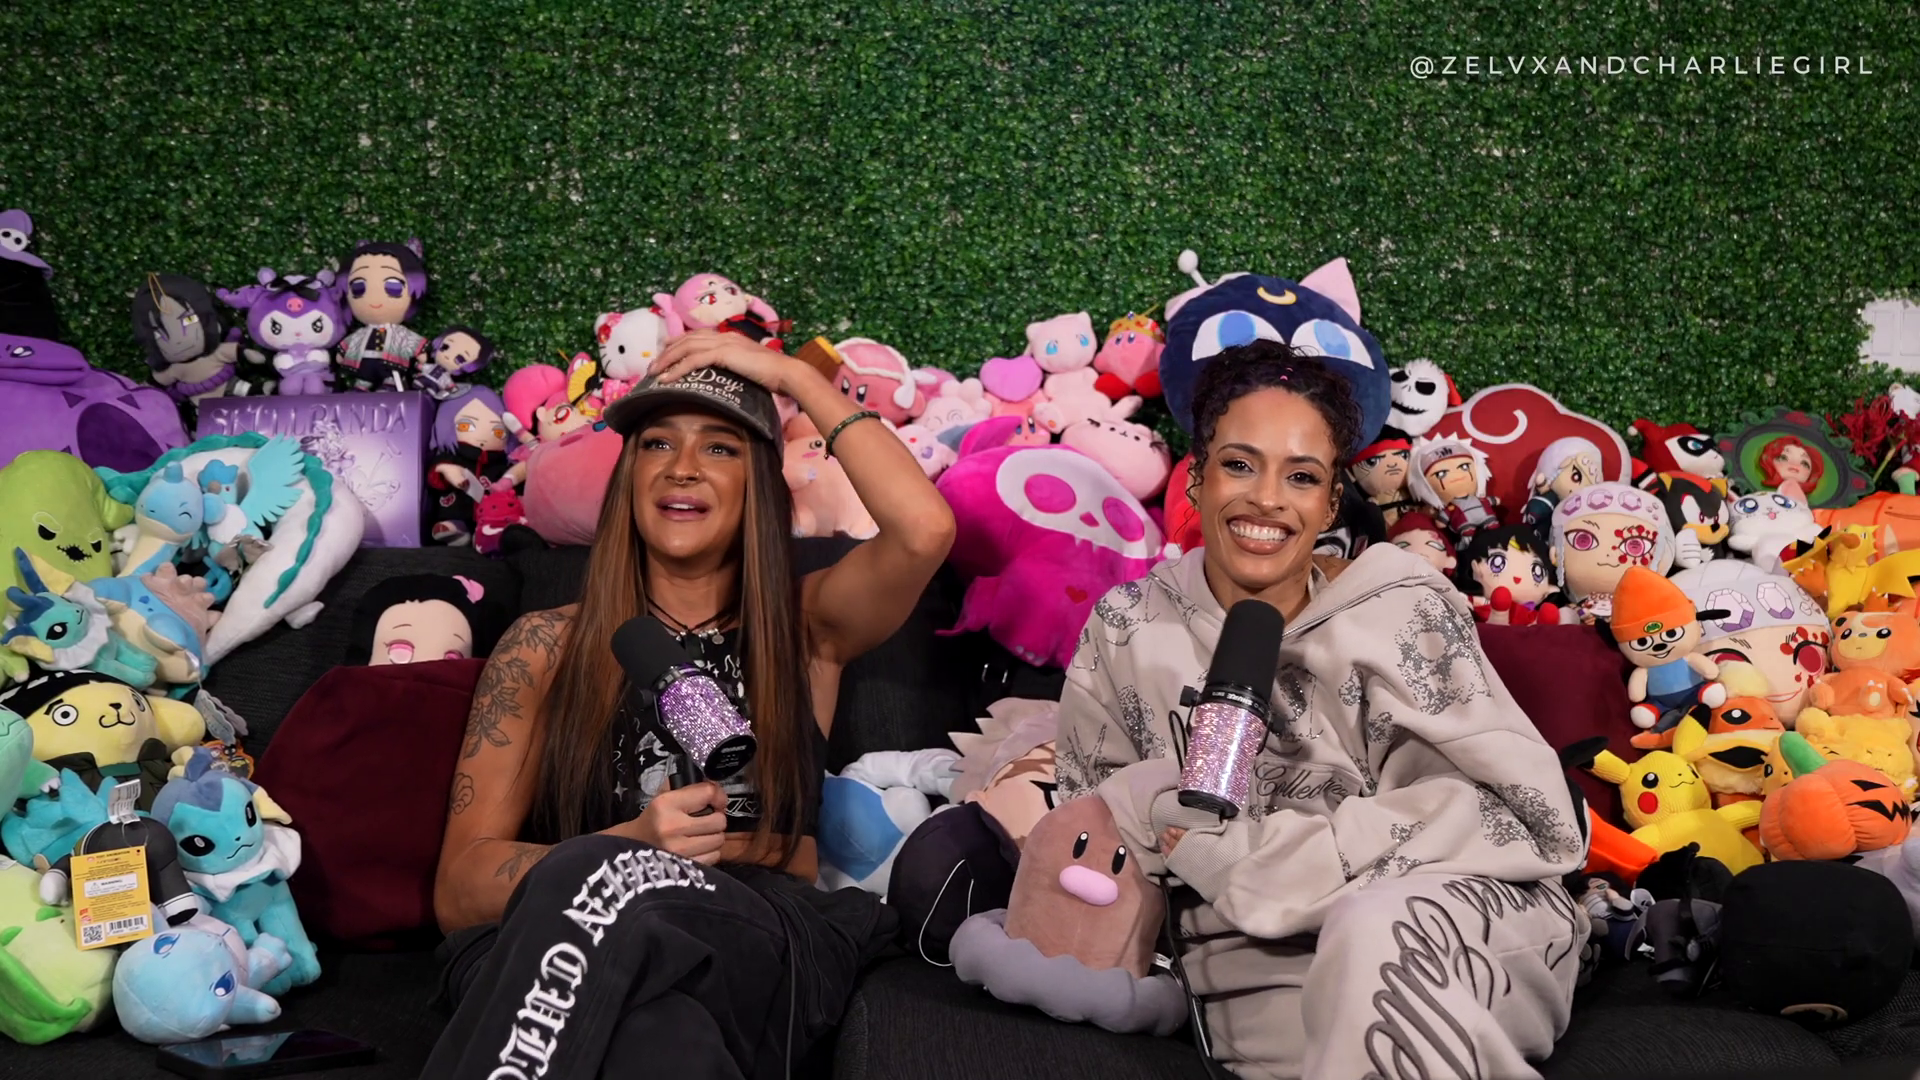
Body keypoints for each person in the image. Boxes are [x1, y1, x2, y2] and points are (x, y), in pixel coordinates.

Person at [425, 328, 956, 1080]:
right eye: (657, 444)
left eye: (719, 447)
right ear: (628, 477)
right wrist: (630, 846)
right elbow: (459, 891)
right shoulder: (544, 645)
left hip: (752, 936)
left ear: (759, 483)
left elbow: (925, 529)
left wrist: (791, 378)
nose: (681, 467)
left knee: (624, 929)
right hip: (569, 948)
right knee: (659, 1037)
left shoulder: (804, 627)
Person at [1056, 340, 1590, 1080]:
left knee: (1374, 932)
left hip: (1447, 926)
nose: (1267, 499)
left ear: (1332, 501)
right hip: (1244, 967)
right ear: (1197, 478)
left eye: (1302, 476)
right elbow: (1091, 831)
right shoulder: (1129, 626)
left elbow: (1524, 816)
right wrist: (1163, 820)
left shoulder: (1402, 608)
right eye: (1239, 464)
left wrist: (1253, 862)